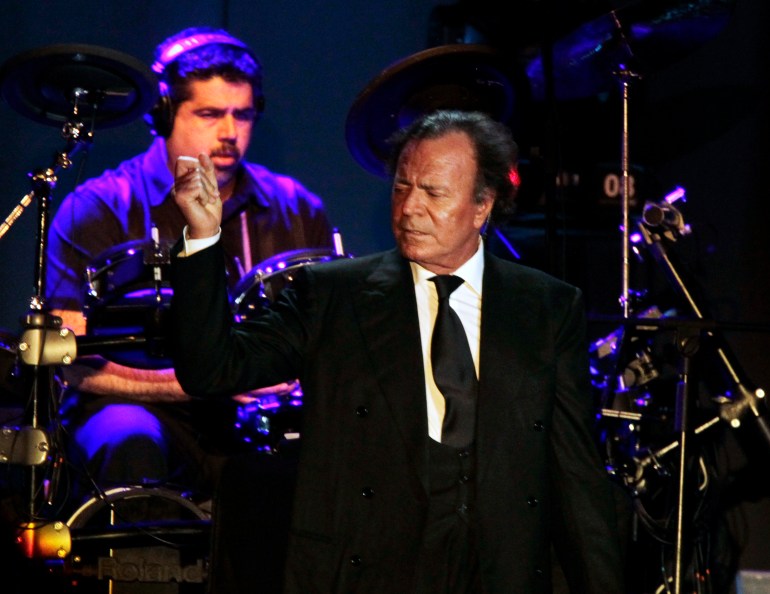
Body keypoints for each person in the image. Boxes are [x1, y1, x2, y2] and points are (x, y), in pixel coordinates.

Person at [169, 109, 625, 593]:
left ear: (482, 206)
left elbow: (576, 476)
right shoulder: (332, 295)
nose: (409, 208)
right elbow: (212, 369)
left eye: (433, 193)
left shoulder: (546, 308)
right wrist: (203, 235)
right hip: (366, 572)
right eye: (401, 187)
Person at [44, 26, 334, 513]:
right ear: (163, 115)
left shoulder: (297, 207)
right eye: (209, 114)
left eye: (242, 115)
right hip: (140, 413)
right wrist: (215, 380)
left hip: (255, 422)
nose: (229, 133)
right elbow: (67, 360)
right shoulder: (97, 208)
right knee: (126, 436)